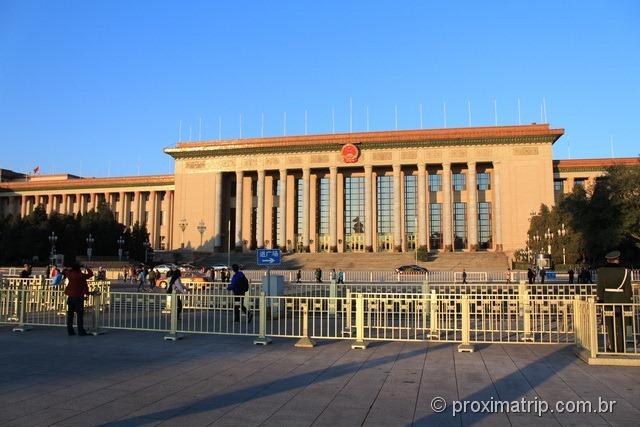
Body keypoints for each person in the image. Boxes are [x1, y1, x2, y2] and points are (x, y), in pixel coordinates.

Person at [597, 250, 633, 352]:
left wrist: (600, 300)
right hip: (622, 300)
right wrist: (629, 302)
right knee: (622, 325)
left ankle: (612, 347)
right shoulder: (625, 272)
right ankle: (622, 347)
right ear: (617, 260)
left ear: (608, 260)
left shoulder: (602, 271)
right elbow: (628, 289)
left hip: (607, 300)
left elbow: (600, 288)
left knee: (610, 325)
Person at [63, 263, 94, 336]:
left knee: (70, 315)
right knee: (79, 315)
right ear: (79, 269)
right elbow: (90, 274)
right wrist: (86, 267)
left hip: (70, 297)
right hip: (78, 297)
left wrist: (70, 268)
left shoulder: (69, 274)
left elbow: (64, 270)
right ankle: (81, 331)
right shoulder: (81, 275)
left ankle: (70, 331)